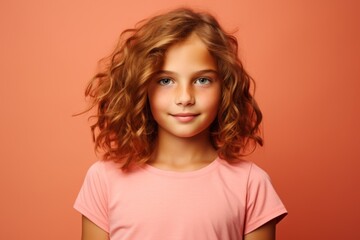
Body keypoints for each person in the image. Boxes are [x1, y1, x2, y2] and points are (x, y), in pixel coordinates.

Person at [74, 7, 287, 240]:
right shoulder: (103, 179)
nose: (185, 97)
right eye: (166, 80)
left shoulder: (251, 184)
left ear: (225, 87)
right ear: (142, 86)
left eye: (202, 80)